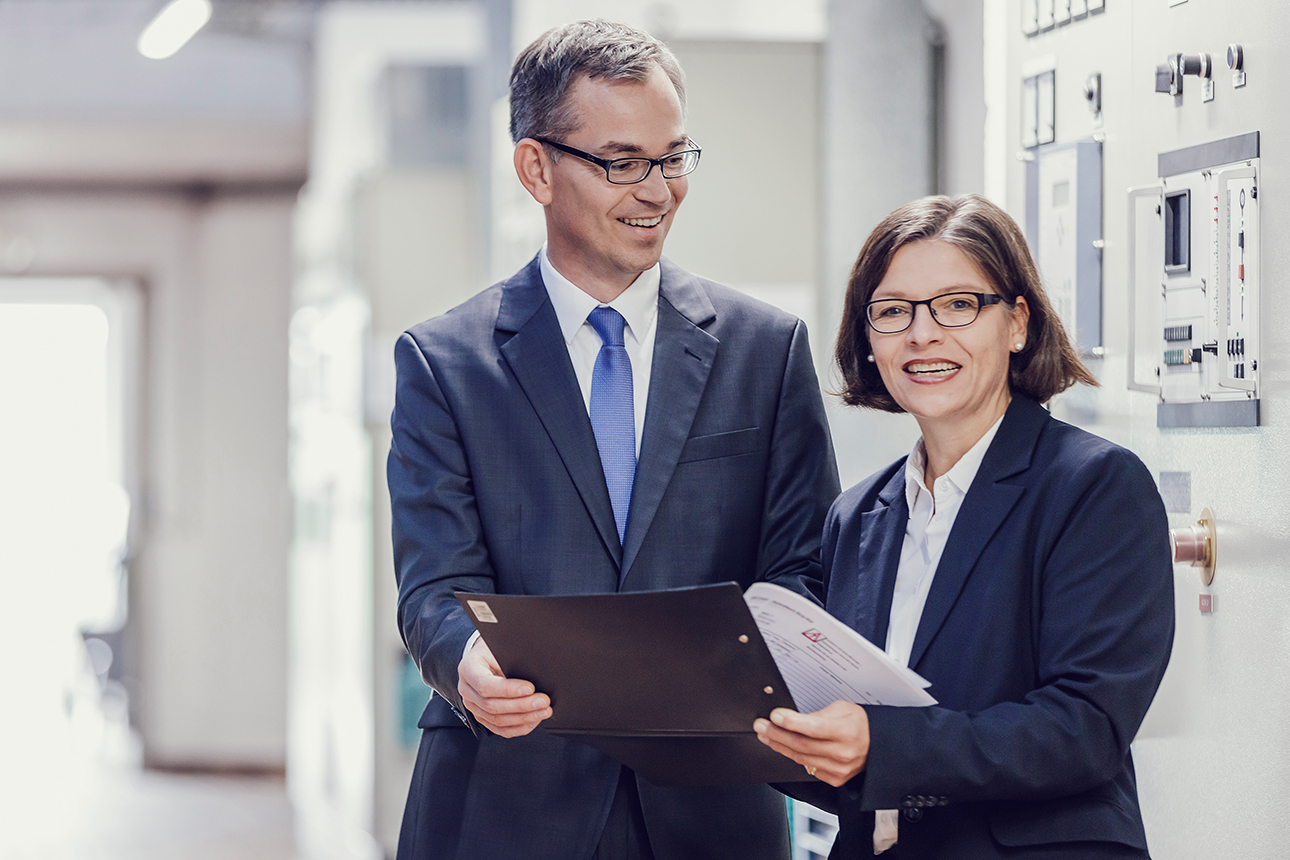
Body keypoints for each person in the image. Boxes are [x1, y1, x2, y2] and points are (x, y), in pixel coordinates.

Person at [387, 19, 840, 860]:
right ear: (536, 168)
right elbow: (433, 584)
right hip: (504, 800)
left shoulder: (764, 351)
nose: (657, 190)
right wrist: (467, 666)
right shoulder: (445, 362)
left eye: (673, 158)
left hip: (710, 806)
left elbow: (802, 570)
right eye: (622, 162)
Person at [755, 194, 1175, 858]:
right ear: (868, 339)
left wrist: (882, 745)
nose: (923, 335)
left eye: (957, 305)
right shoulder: (856, 516)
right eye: (893, 312)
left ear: (1016, 323)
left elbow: (1085, 728)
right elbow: (857, 744)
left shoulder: (1094, 486)